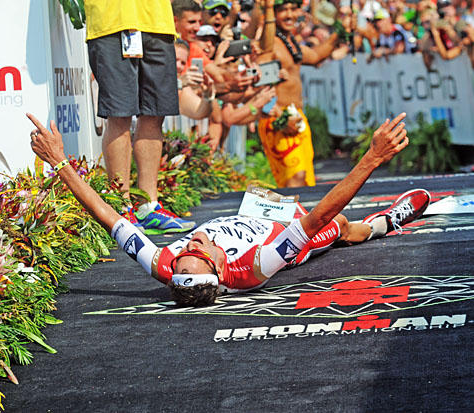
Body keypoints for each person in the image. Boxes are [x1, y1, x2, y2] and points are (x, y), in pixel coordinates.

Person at [27, 111, 431, 307]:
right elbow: (319, 217)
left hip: (254, 210)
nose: (192, 244)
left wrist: (60, 162)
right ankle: (385, 222)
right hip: (284, 231)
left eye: (184, 254)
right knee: (340, 226)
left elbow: (106, 215)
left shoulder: (163, 264)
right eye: (199, 254)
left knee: (267, 193)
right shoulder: (253, 267)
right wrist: (372, 158)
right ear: (221, 270)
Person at [85, 0, 195, 234]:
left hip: (158, 23)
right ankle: (121, 206)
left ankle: (149, 206)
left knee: (154, 114)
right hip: (112, 21)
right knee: (119, 115)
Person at [255, 0, 353, 188]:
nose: (289, 15)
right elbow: (260, 85)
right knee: (296, 180)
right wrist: (280, 117)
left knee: (305, 183)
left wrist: (341, 30)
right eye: (283, 10)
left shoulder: (289, 42)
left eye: (293, 9)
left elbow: (316, 56)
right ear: (273, 13)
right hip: (278, 119)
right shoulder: (269, 44)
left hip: (296, 117)